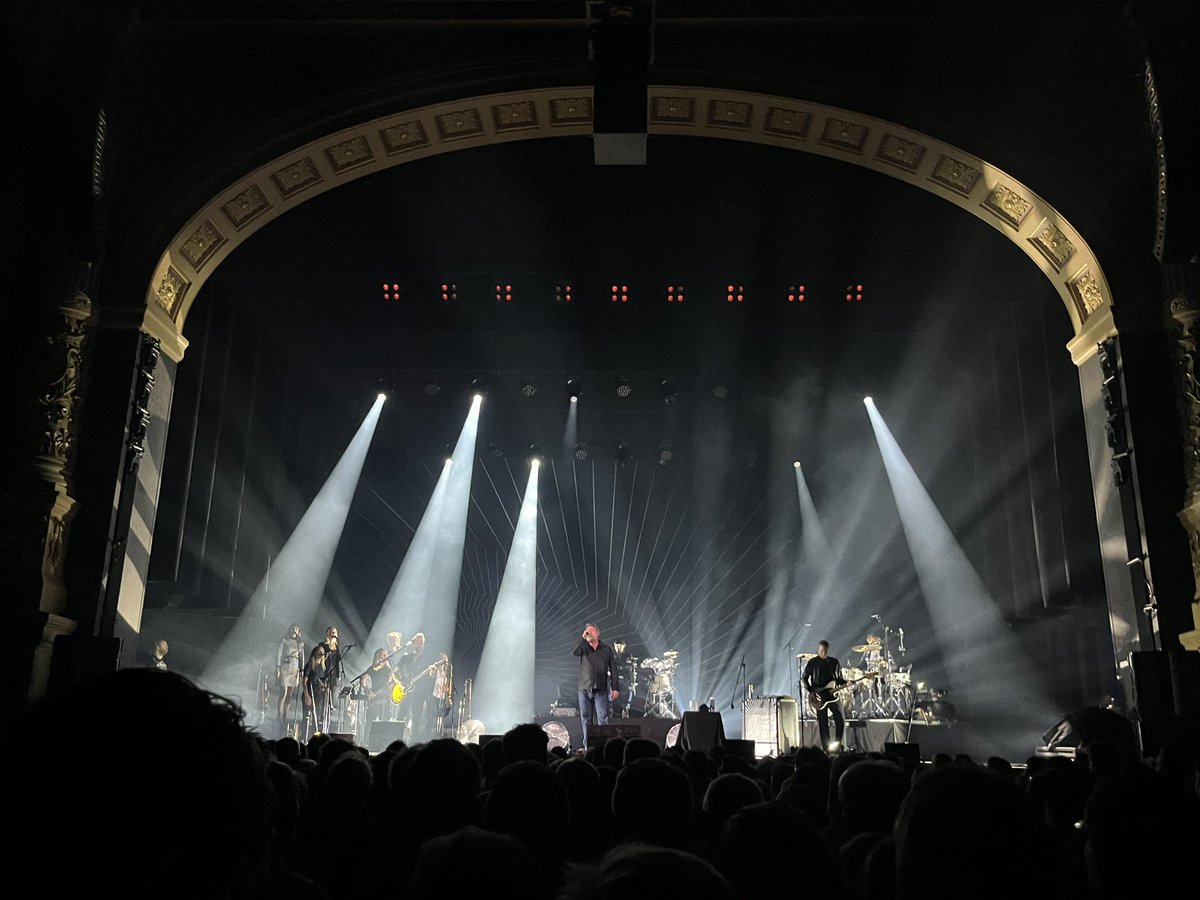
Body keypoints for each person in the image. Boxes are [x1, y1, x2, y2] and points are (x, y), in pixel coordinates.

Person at [574, 623, 620, 750]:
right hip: (584, 688)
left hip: (601, 689)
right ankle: (587, 747)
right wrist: (582, 638)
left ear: (598, 633)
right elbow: (574, 651)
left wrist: (615, 687)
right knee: (586, 719)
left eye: (591, 631)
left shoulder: (606, 649)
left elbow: (613, 669)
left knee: (603, 719)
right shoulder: (583, 647)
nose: (588, 633)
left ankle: (603, 748)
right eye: (586, 631)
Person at [803, 640, 846, 753]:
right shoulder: (812, 663)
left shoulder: (834, 662)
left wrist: (847, 682)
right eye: (821, 650)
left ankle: (837, 744)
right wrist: (811, 691)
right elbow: (804, 678)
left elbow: (838, 679)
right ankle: (827, 749)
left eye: (825, 651)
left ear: (828, 650)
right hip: (819, 696)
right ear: (818, 650)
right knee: (823, 724)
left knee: (840, 721)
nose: (823, 652)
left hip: (832, 695)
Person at [276, 623, 304, 734]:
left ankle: (285, 715)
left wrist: (301, 669)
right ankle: (279, 714)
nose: (294, 630)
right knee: (283, 691)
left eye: (296, 629)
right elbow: (279, 654)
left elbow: (302, 657)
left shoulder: (300, 643)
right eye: (293, 628)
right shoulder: (284, 640)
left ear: (299, 631)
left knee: (289, 694)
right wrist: (278, 667)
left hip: (295, 667)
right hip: (285, 665)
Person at [303, 643, 331, 737]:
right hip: (309, 692)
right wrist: (306, 695)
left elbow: (321, 679)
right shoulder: (310, 665)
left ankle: (314, 736)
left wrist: (323, 685)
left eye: (323, 652)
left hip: (319, 694)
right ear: (315, 653)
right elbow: (304, 681)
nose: (321, 653)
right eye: (319, 652)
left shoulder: (322, 667)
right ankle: (304, 736)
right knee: (306, 716)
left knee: (317, 716)